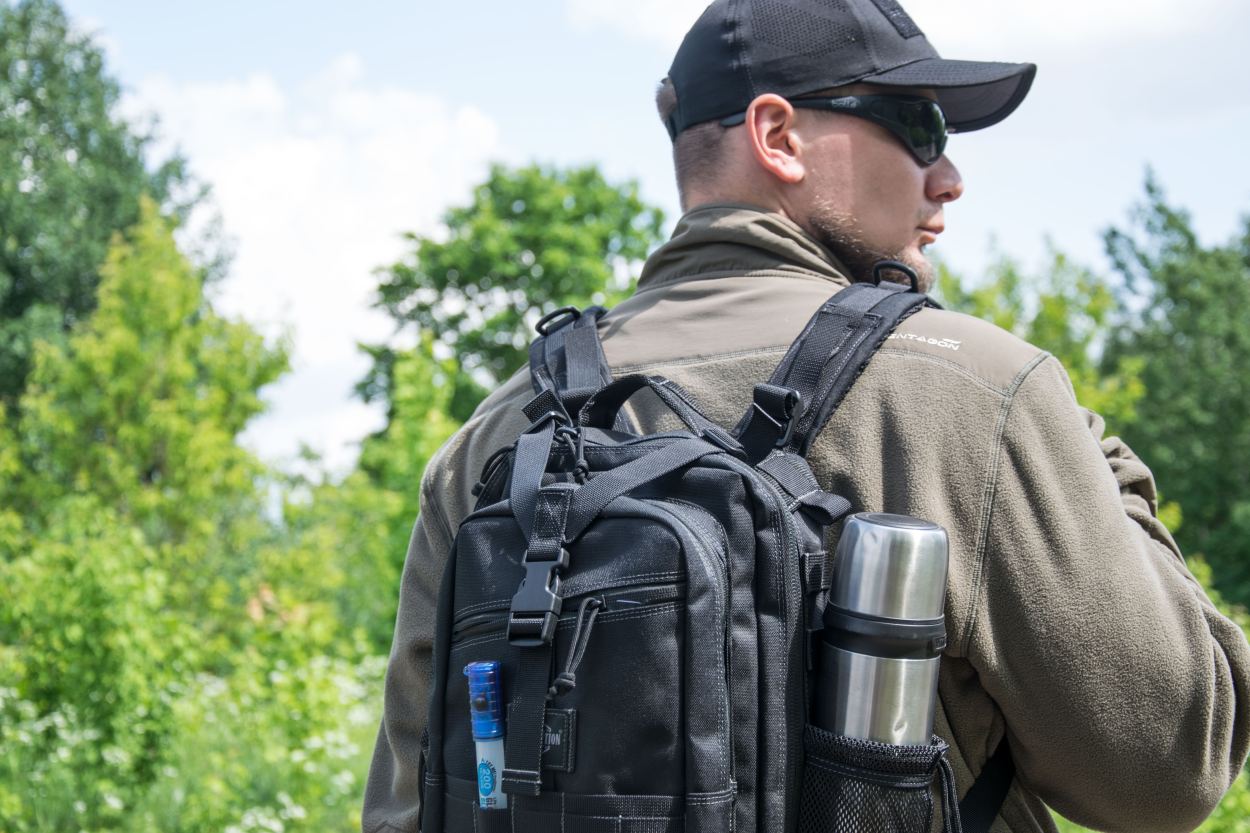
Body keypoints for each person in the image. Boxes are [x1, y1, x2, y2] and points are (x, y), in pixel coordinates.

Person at [362, 1, 1250, 831]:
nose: (949, 177)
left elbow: (409, 804)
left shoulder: (502, 429)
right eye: (918, 126)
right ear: (778, 136)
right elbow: (1167, 769)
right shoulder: (977, 389)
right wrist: (1109, 479)